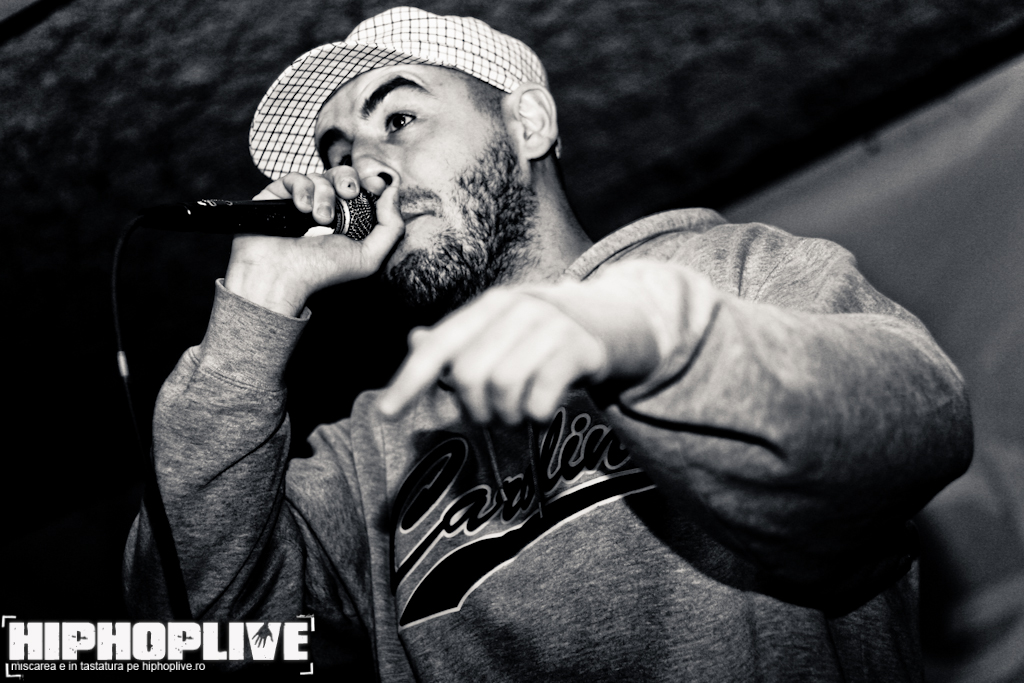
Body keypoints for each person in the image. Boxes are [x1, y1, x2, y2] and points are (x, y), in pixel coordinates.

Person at [124, 6, 972, 681]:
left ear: (527, 122)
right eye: (340, 155)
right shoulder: (366, 455)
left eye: (400, 118)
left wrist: (656, 338)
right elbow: (194, 635)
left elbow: (922, 419)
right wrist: (255, 310)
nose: (364, 173)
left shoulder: (729, 271)